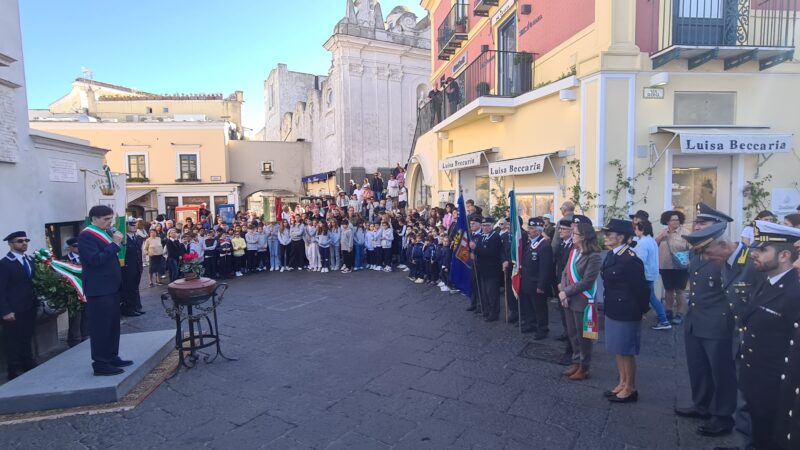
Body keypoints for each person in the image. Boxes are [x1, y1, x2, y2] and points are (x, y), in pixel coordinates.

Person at [675, 203, 738, 437]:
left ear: (719, 227)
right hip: (695, 318)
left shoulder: (729, 255)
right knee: (698, 366)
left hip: (717, 321)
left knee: (721, 371)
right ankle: (701, 405)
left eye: (704, 223)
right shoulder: (696, 251)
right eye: (698, 222)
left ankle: (723, 416)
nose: (698, 226)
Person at [78, 205, 132, 376]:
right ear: (94, 219)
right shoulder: (87, 235)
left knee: (113, 324)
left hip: (111, 287)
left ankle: (111, 356)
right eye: (106, 219)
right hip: (99, 289)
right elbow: (95, 260)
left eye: (111, 219)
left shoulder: (104, 233)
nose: (110, 223)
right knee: (101, 327)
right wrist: (115, 244)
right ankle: (100, 363)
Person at [600, 219, 650, 403]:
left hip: (627, 309)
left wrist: (643, 310)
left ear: (621, 237)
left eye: (609, 234)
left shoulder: (630, 259)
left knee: (626, 350)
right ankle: (622, 382)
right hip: (614, 308)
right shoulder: (614, 255)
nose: (605, 237)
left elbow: (641, 288)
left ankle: (630, 388)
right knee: (618, 349)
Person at [559, 216, 602, 381]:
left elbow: (587, 282)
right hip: (569, 299)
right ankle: (576, 362)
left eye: (575, 233)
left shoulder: (594, 256)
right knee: (572, 334)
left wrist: (566, 292)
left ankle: (585, 367)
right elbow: (564, 273)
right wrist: (563, 290)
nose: (572, 235)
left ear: (583, 236)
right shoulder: (573, 251)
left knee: (584, 337)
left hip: (583, 301)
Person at [0, 231, 37, 380]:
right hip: (13, 308)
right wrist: (6, 311)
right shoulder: (5, 263)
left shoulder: (30, 260)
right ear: (10, 244)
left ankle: (27, 362)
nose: (24, 243)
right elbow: (1, 289)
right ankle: (13, 369)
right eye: (19, 241)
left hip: (29, 306)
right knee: (12, 340)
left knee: (27, 336)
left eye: (26, 240)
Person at [518, 217, 553, 339]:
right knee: (528, 305)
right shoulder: (530, 243)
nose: (529, 230)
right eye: (529, 227)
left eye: (532, 228)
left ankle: (542, 329)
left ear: (538, 231)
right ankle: (531, 324)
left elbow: (545, 268)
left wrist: (541, 285)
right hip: (527, 281)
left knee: (539, 308)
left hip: (536, 283)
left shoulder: (544, 246)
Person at [633, 221, 671, 330]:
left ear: (642, 230)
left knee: (651, 297)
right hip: (651, 273)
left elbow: (640, 261)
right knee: (649, 297)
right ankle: (662, 319)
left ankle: (664, 320)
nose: (635, 231)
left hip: (645, 274)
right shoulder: (651, 240)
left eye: (636, 229)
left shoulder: (643, 243)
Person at [656, 210, 691, 325]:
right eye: (673, 220)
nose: (676, 221)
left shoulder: (686, 233)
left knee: (680, 290)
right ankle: (668, 311)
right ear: (667, 221)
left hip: (681, 266)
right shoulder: (663, 232)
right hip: (665, 265)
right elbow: (654, 245)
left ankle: (680, 313)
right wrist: (661, 237)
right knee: (668, 289)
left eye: (677, 219)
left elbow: (692, 249)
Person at [554, 218, 575, 365]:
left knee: (571, 319)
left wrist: (563, 285)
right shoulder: (563, 244)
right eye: (560, 229)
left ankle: (572, 349)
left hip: (568, 287)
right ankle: (567, 335)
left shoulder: (573, 246)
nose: (560, 231)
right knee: (564, 315)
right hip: (560, 284)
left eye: (563, 229)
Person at [472, 217, 503, 322]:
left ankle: (494, 313)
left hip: (492, 269)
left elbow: (490, 252)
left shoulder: (495, 237)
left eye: (487, 226)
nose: (485, 228)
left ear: (492, 226)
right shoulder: (482, 236)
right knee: (484, 292)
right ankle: (487, 310)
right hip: (482, 268)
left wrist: (476, 249)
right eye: (483, 225)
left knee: (492, 293)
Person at [120, 217, 144, 317]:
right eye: (131, 224)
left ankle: (136, 307)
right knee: (128, 288)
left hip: (136, 267)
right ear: (126, 226)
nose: (134, 226)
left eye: (134, 224)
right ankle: (129, 309)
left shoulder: (136, 238)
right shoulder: (123, 239)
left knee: (135, 288)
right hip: (128, 268)